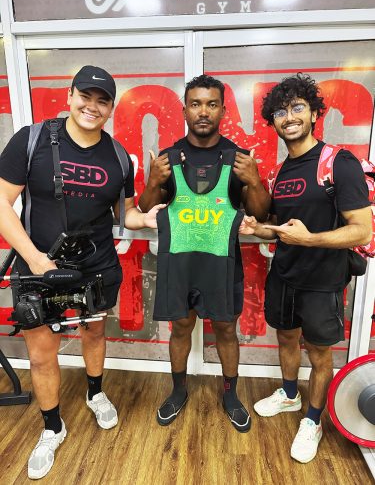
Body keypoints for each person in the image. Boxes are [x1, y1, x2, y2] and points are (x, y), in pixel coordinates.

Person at [0, 65, 164, 480]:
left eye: (102, 100)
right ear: (69, 96)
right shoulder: (31, 139)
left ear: (111, 108)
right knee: (41, 352)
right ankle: (52, 426)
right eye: (85, 96)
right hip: (39, 264)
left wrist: (147, 219)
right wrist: (34, 258)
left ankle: (95, 393)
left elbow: (124, 214)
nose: (92, 106)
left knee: (94, 332)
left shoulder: (117, 156)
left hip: (97, 265)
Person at [239, 73, 372, 462]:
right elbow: (284, 229)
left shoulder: (339, 163)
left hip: (322, 280)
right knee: (285, 338)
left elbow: (361, 229)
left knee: (318, 353)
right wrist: (259, 228)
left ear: (314, 113)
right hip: (284, 273)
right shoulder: (281, 172)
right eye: (280, 111)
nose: (289, 117)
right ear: (273, 121)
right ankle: (289, 395)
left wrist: (310, 239)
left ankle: (312, 420)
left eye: (297, 107)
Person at [138, 74, 270, 433]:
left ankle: (230, 395)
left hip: (220, 264)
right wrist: (153, 182)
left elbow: (260, 213)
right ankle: (178, 391)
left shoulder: (238, 158)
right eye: (195, 103)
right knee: (181, 327)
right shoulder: (168, 157)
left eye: (211, 104)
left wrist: (255, 180)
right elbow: (145, 210)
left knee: (226, 329)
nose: (203, 111)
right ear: (184, 109)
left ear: (223, 110)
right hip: (180, 264)